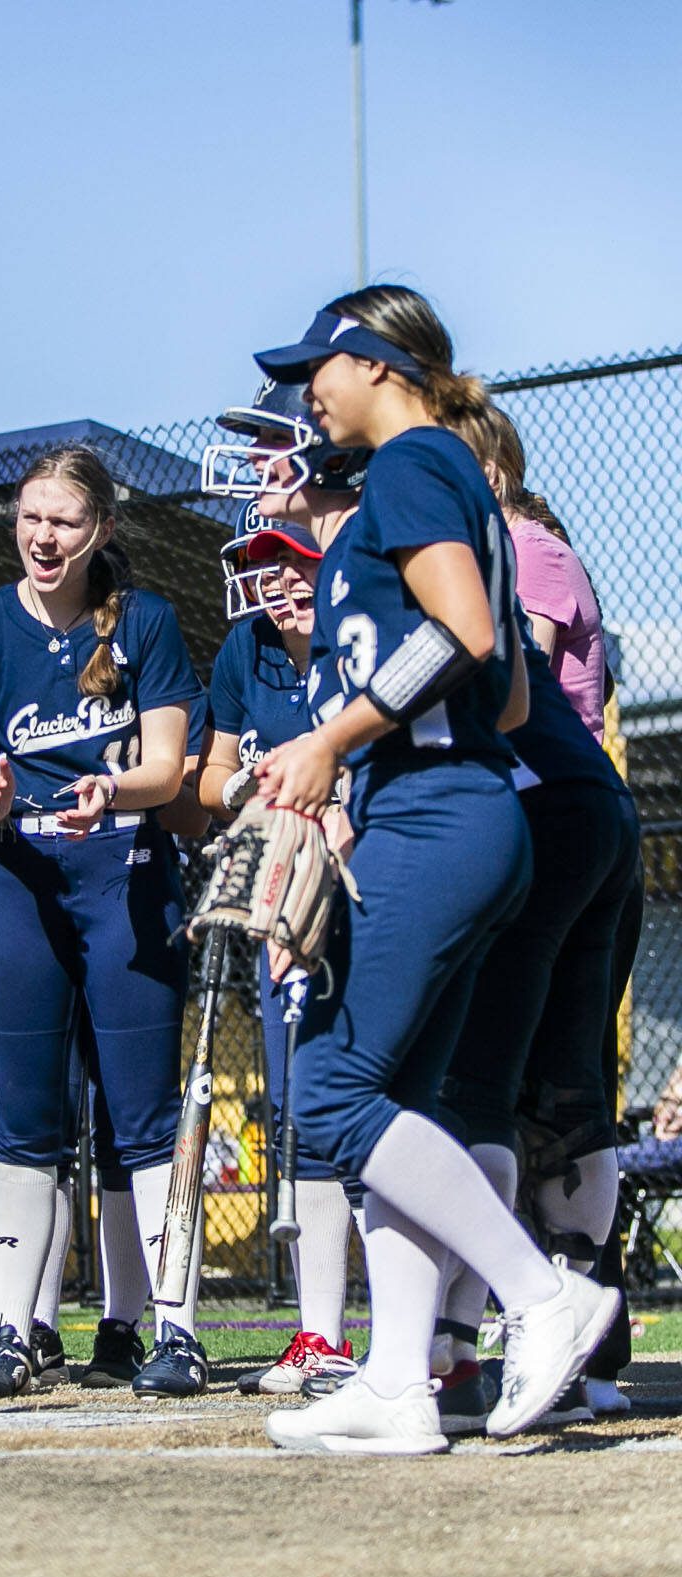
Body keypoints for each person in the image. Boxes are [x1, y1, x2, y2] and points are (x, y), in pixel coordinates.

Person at [250, 285, 618, 1454]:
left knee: (329, 1091)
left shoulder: (408, 464)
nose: (304, 390)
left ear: (373, 364)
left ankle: (535, 1292)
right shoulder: (436, 474)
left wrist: (332, 740)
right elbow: (505, 687)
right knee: (403, 1095)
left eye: (318, 367)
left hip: (436, 816)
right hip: (454, 809)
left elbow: (462, 638)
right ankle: (399, 1381)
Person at [0, 444, 207, 1401]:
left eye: (63, 520)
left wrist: (111, 786)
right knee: (25, 1118)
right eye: (31, 518)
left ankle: (172, 1329)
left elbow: (169, 769)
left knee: (143, 1117)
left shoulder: (148, 623)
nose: (43, 537)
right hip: (19, 884)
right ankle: (12, 1330)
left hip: (124, 878)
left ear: (102, 530)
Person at [427, 399, 640, 1431]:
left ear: (493, 469)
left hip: (553, 820)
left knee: (537, 1087)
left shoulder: (521, 548)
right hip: (547, 820)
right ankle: (557, 1336)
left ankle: (528, 1333)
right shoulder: (477, 545)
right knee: (533, 1086)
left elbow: (498, 682)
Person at [197, 382, 371, 1396]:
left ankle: (429, 1319)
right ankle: (318, 1333)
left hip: (365, 881)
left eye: (288, 570)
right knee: (300, 1105)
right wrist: (253, 794)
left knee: (371, 1098)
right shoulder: (245, 650)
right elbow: (212, 777)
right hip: (283, 894)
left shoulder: (353, 624)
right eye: (259, 573)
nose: (275, 588)